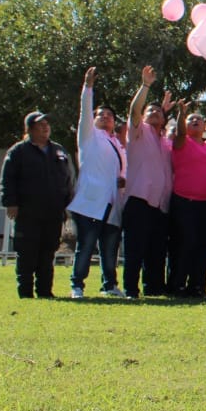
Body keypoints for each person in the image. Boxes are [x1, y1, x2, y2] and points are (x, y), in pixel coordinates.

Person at [67, 67, 127, 299]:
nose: (105, 118)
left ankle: (109, 284)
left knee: (110, 248)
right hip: (91, 202)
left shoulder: (117, 144)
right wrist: (88, 87)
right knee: (86, 245)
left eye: (109, 116)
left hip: (112, 204)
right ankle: (77, 285)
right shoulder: (89, 136)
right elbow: (84, 111)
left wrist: (122, 180)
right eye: (100, 115)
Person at [0, 111, 74, 298]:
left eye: (47, 124)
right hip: (28, 211)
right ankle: (25, 292)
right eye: (40, 125)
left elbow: (67, 180)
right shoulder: (18, 151)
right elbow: (7, 179)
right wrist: (11, 203)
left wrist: (67, 205)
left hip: (53, 211)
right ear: (30, 129)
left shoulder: (58, 151)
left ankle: (45, 291)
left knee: (48, 252)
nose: (45, 127)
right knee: (26, 252)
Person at [122, 67, 175, 298]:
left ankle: (153, 288)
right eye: (149, 110)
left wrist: (164, 111)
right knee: (135, 248)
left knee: (156, 249)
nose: (153, 112)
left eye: (157, 111)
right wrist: (145, 86)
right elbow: (135, 110)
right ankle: (131, 289)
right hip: (139, 200)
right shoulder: (138, 132)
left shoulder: (164, 140)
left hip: (161, 204)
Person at [169, 98, 206, 299]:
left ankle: (197, 285)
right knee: (185, 243)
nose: (195, 121)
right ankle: (177, 284)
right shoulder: (182, 142)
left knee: (203, 245)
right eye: (191, 119)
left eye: (199, 119)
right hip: (184, 201)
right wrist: (181, 113)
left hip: (205, 204)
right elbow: (180, 132)